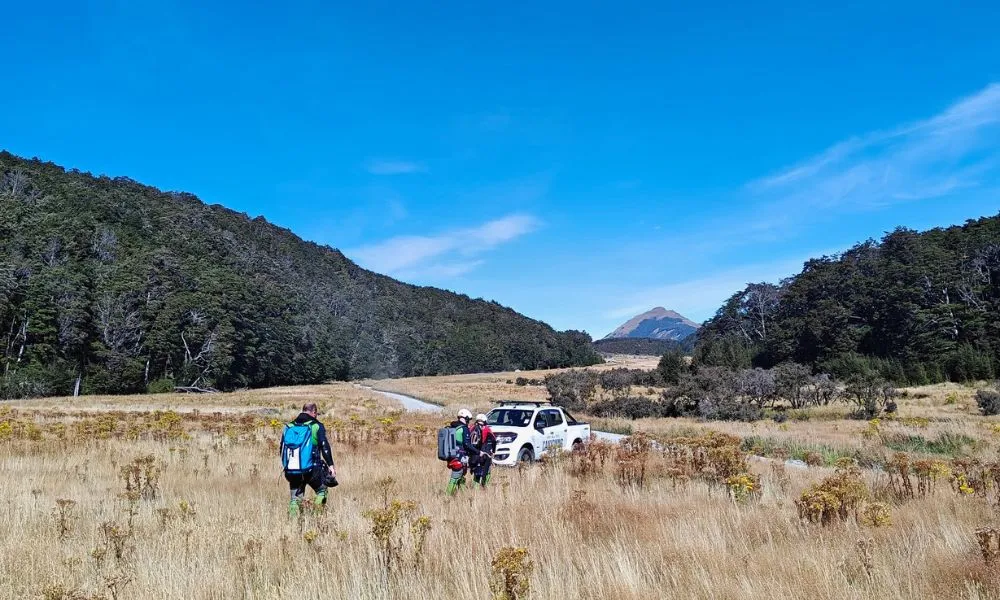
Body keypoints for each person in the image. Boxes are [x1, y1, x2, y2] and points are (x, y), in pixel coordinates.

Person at [282, 403, 336, 516]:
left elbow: (281, 449)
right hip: (312, 469)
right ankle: (316, 516)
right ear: (314, 412)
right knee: (322, 491)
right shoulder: (316, 426)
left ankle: (293, 526)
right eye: (316, 414)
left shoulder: (289, 427)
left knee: (295, 499)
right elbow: (324, 446)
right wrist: (331, 466)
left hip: (293, 469)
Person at [446, 408, 477, 495]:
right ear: (466, 418)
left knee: (461, 475)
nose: (469, 422)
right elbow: (467, 445)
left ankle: (464, 495)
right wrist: (477, 452)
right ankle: (447, 495)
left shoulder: (452, 427)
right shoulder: (464, 428)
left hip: (451, 455)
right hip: (459, 456)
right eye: (468, 419)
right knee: (456, 475)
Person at [471, 413, 497, 487]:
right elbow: (494, 440)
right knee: (487, 471)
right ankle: (484, 486)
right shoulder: (486, 428)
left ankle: (475, 488)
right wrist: (494, 451)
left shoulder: (472, 427)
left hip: (475, 453)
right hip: (485, 452)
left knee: (477, 471)